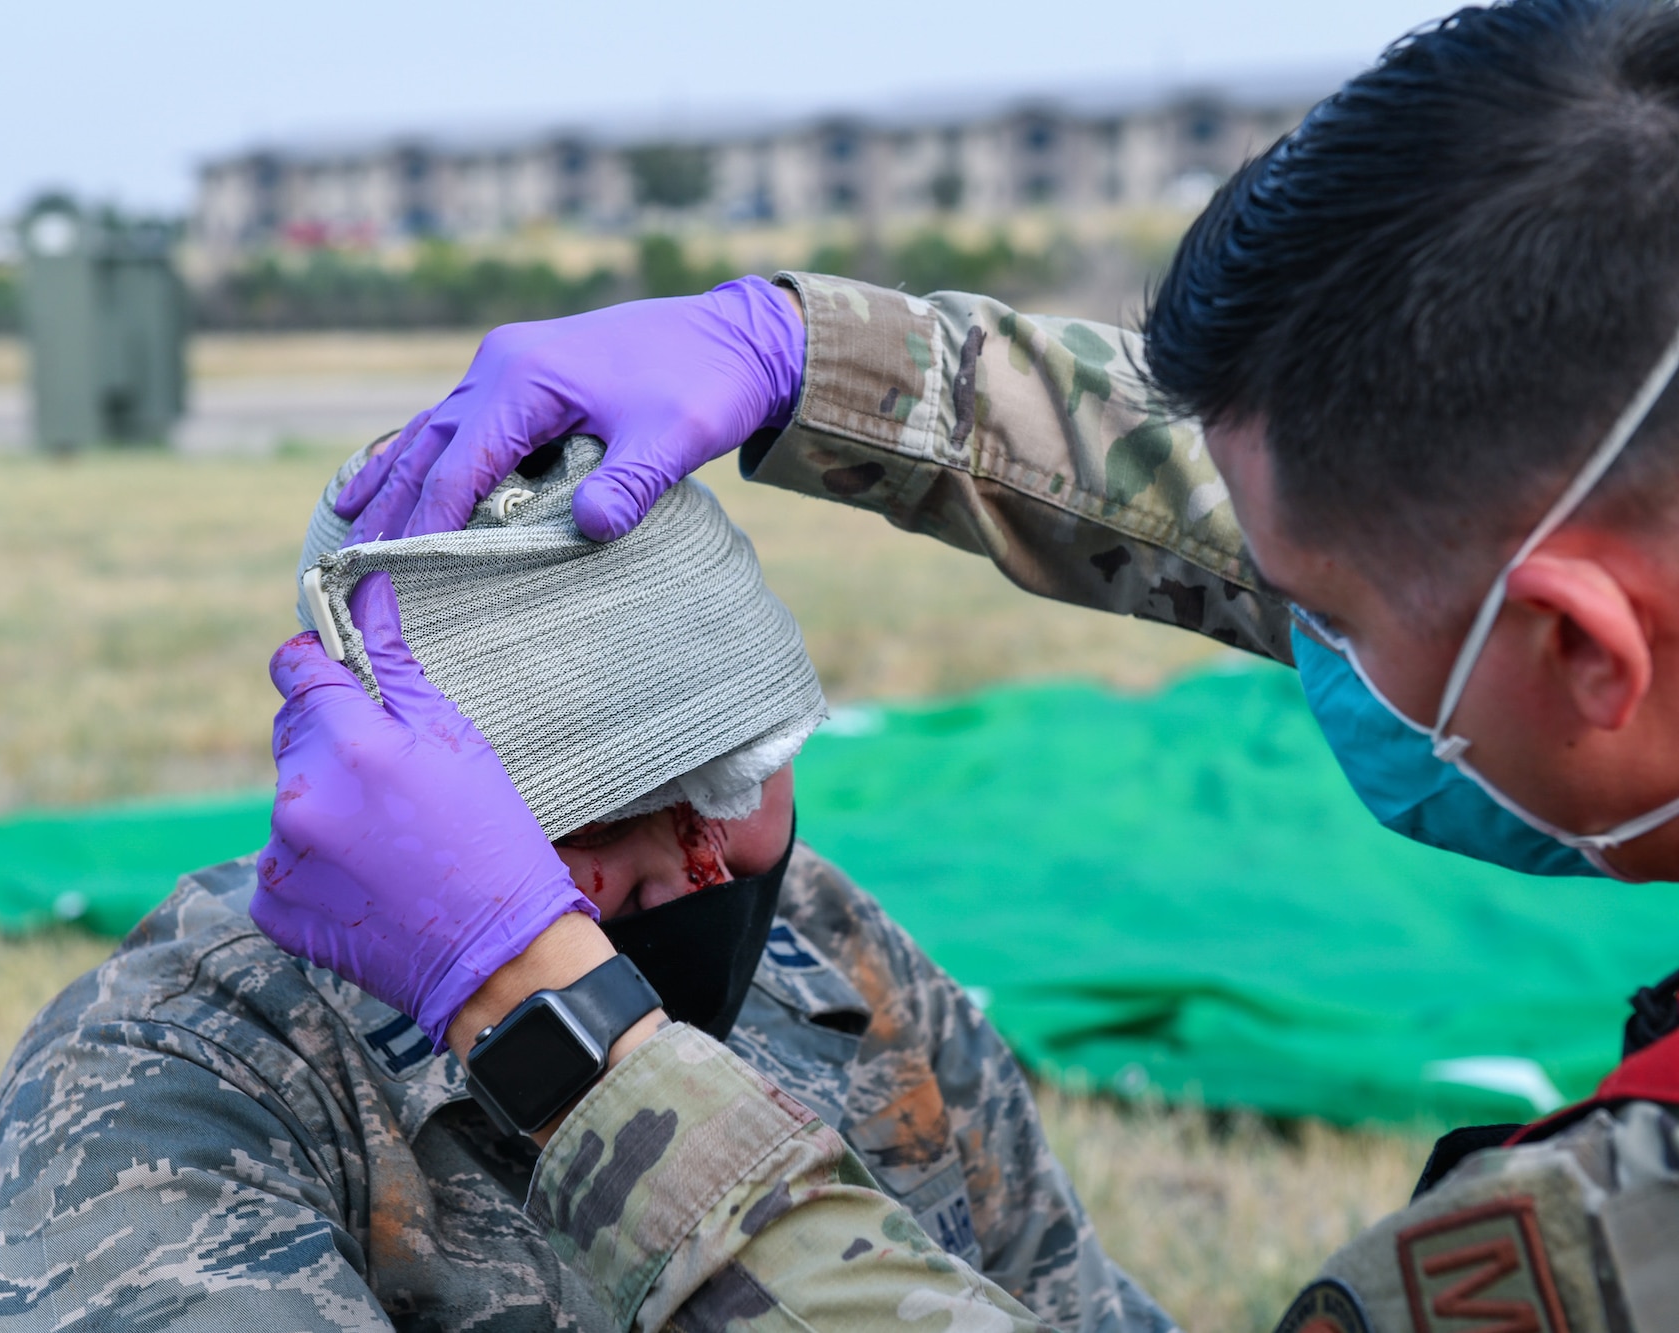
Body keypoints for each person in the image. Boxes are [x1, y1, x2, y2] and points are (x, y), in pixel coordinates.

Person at [253, 1, 1679, 1329]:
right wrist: (827, 362)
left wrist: (545, 1023)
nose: (1308, 651)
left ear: (1586, 652)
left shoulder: (1630, 1223)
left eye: (1330, 622)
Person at [0, 440, 1172, 1333]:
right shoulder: (182, 1080)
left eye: (735, 789)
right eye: (600, 820)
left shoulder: (828, 957)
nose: (707, 871)